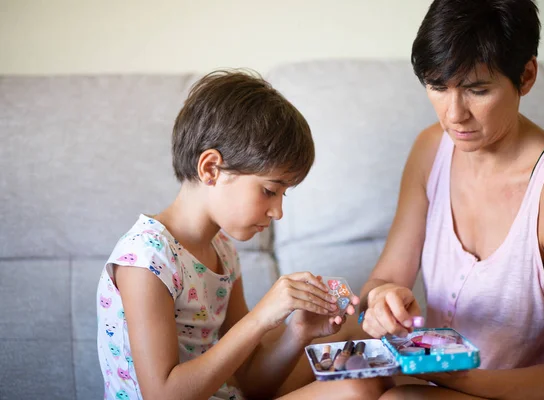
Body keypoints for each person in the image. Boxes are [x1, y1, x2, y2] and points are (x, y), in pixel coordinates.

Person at [357, 0, 544, 399]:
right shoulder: (430, 149)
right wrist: (382, 301)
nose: (454, 115)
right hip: (447, 383)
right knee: (352, 384)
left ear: (526, 75)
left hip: (542, 391)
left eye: (477, 90)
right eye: (438, 87)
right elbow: (382, 281)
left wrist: (459, 379)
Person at [96, 70, 382, 400]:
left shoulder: (223, 252)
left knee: (354, 337)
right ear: (211, 169)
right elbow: (163, 395)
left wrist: (298, 333)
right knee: (357, 390)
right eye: (269, 190)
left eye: (282, 195)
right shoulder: (146, 259)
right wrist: (261, 317)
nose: (278, 213)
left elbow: (251, 383)